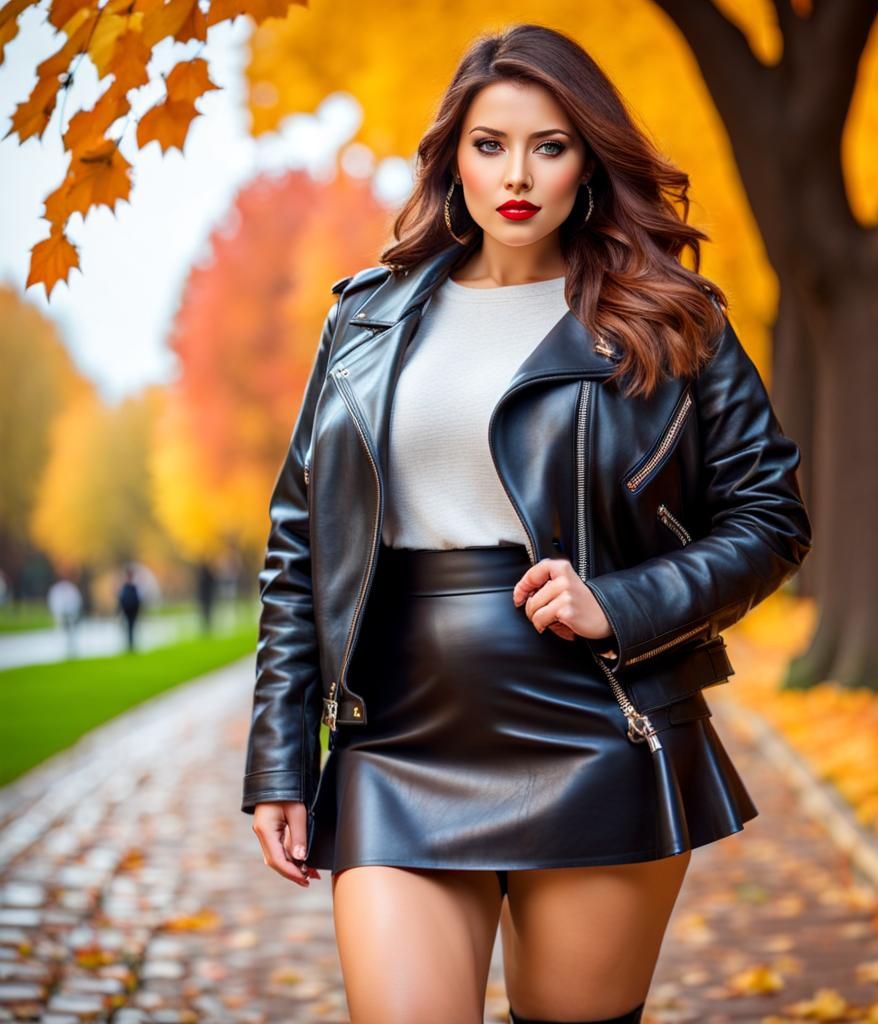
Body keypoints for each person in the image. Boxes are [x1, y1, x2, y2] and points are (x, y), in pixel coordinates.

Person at [242, 23, 812, 1024]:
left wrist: (622, 602)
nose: (517, 173)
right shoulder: (363, 321)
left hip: (595, 727)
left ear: (587, 162)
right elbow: (300, 544)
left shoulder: (669, 317)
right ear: (451, 155)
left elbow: (768, 513)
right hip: (396, 738)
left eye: (549, 145)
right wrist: (281, 756)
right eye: (489, 143)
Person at [116, 566, 142, 653]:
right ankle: (129, 646)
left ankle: (131, 646)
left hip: (132, 611)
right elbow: (122, 600)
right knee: (128, 629)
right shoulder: (126, 587)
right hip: (127, 611)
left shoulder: (133, 587)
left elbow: (137, 600)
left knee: (131, 628)